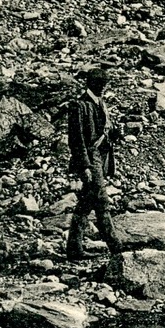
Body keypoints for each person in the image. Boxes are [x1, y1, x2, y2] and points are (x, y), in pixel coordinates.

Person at [66, 68, 122, 262]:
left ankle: (74, 248)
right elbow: (76, 140)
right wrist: (85, 166)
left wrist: (115, 134)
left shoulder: (101, 103)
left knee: (86, 203)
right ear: (92, 84)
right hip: (90, 160)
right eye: (102, 84)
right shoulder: (78, 105)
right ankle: (116, 248)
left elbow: (106, 133)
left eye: (105, 84)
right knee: (102, 202)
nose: (105, 87)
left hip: (101, 157)